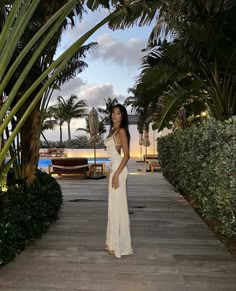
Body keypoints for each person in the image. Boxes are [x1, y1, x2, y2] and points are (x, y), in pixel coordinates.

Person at [104, 104, 133, 258]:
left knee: (118, 208)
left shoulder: (121, 131)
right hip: (113, 169)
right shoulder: (112, 131)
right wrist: (110, 172)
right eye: (113, 113)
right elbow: (112, 155)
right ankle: (112, 242)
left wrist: (116, 175)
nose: (115, 115)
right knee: (113, 207)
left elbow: (126, 155)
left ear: (122, 116)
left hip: (119, 171)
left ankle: (120, 245)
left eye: (118, 113)